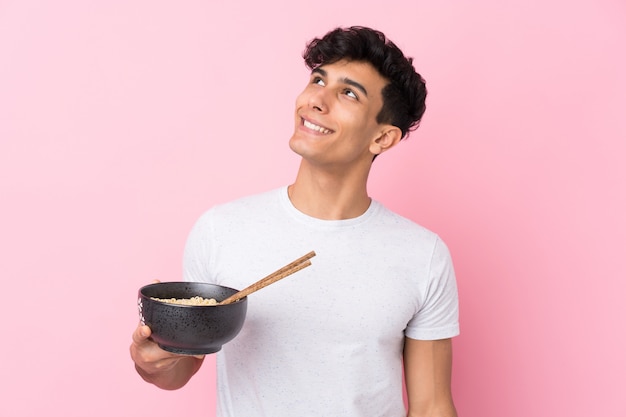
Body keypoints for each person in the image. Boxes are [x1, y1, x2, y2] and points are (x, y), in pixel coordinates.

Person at [130, 26, 460, 417]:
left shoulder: (423, 255)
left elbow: (432, 406)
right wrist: (151, 360)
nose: (316, 100)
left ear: (383, 139)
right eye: (318, 80)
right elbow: (179, 369)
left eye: (348, 93)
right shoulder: (222, 229)